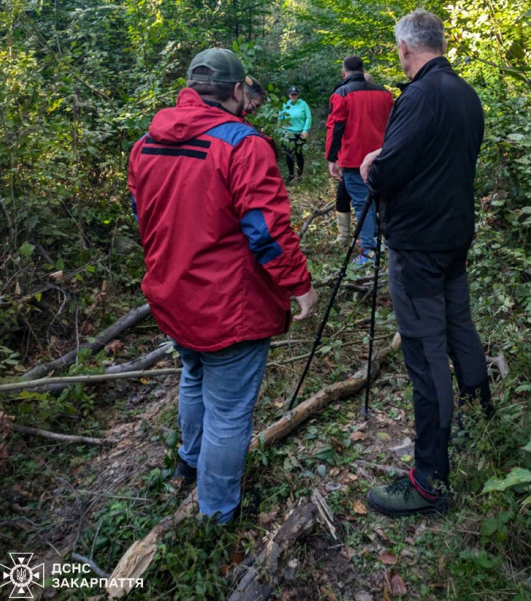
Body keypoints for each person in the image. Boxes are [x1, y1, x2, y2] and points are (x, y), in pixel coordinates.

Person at [128, 48, 318, 523]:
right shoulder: (243, 146)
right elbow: (267, 231)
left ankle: (188, 465)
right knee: (229, 413)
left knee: (193, 375)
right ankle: (216, 517)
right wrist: (300, 286)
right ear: (237, 91)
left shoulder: (145, 145)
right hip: (228, 307)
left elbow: (144, 219)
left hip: (172, 298)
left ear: (191, 89)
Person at [360, 10, 491, 517]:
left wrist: (372, 165)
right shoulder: (465, 93)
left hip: (419, 246)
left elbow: (390, 171)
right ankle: (484, 422)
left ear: (404, 48)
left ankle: (430, 479)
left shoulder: (418, 96)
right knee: (460, 329)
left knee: (426, 349)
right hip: (453, 238)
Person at [326, 56, 393, 266]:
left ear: (343, 73)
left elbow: (335, 126)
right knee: (381, 200)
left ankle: (368, 250)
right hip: (383, 156)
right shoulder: (384, 93)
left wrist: (332, 157)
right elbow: (394, 123)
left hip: (354, 158)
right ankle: (384, 243)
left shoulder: (342, 94)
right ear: (363, 70)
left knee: (360, 202)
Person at [279, 86, 311, 183]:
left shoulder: (303, 104)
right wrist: (280, 132)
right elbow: (280, 118)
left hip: (300, 133)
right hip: (288, 133)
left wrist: (305, 130)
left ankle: (300, 175)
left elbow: (308, 117)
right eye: (292, 94)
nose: (294, 96)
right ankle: (291, 174)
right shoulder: (285, 104)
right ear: (289, 95)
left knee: (299, 154)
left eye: (295, 94)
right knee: (289, 154)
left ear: (297, 95)